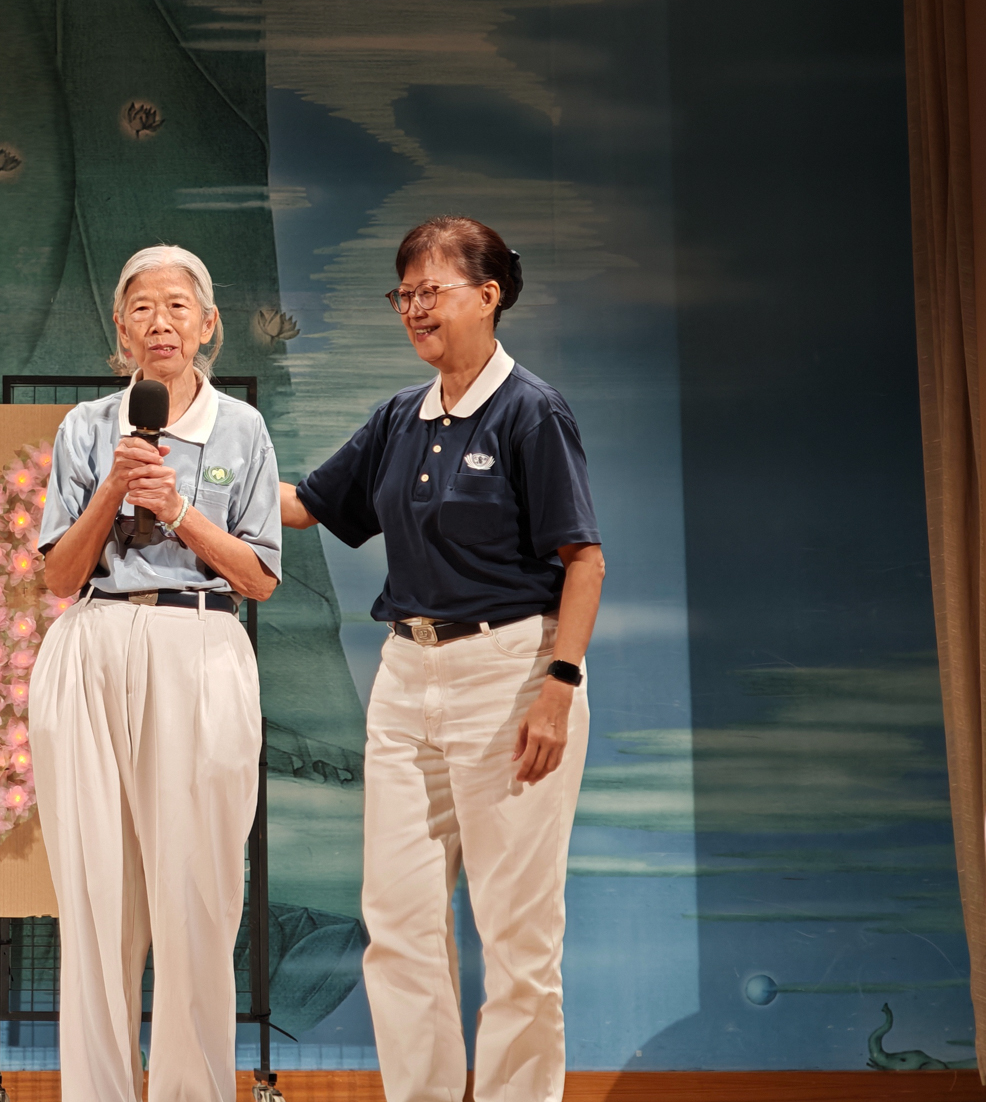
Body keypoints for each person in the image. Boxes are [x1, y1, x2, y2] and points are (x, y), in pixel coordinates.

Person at [280, 217, 604, 1102]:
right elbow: (306, 506)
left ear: (489, 295)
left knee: (517, 936)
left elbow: (585, 560)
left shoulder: (530, 410)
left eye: (432, 290)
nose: (414, 308)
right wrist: (194, 481)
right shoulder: (398, 417)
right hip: (406, 680)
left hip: (512, 675)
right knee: (398, 925)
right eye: (403, 294)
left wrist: (558, 688)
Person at [32, 245, 282, 1102]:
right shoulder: (86, 426)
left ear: (208, 325)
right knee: (97, 895)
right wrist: (115, 488)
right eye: (141, 307)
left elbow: (258, 577)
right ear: (120, 328)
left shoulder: (242, 429)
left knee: (197, 894)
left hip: (202, 646)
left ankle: (195, 1090)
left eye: (179, 307)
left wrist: (177, 507)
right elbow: (57, 576)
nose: (160, 322)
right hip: (94, 642)